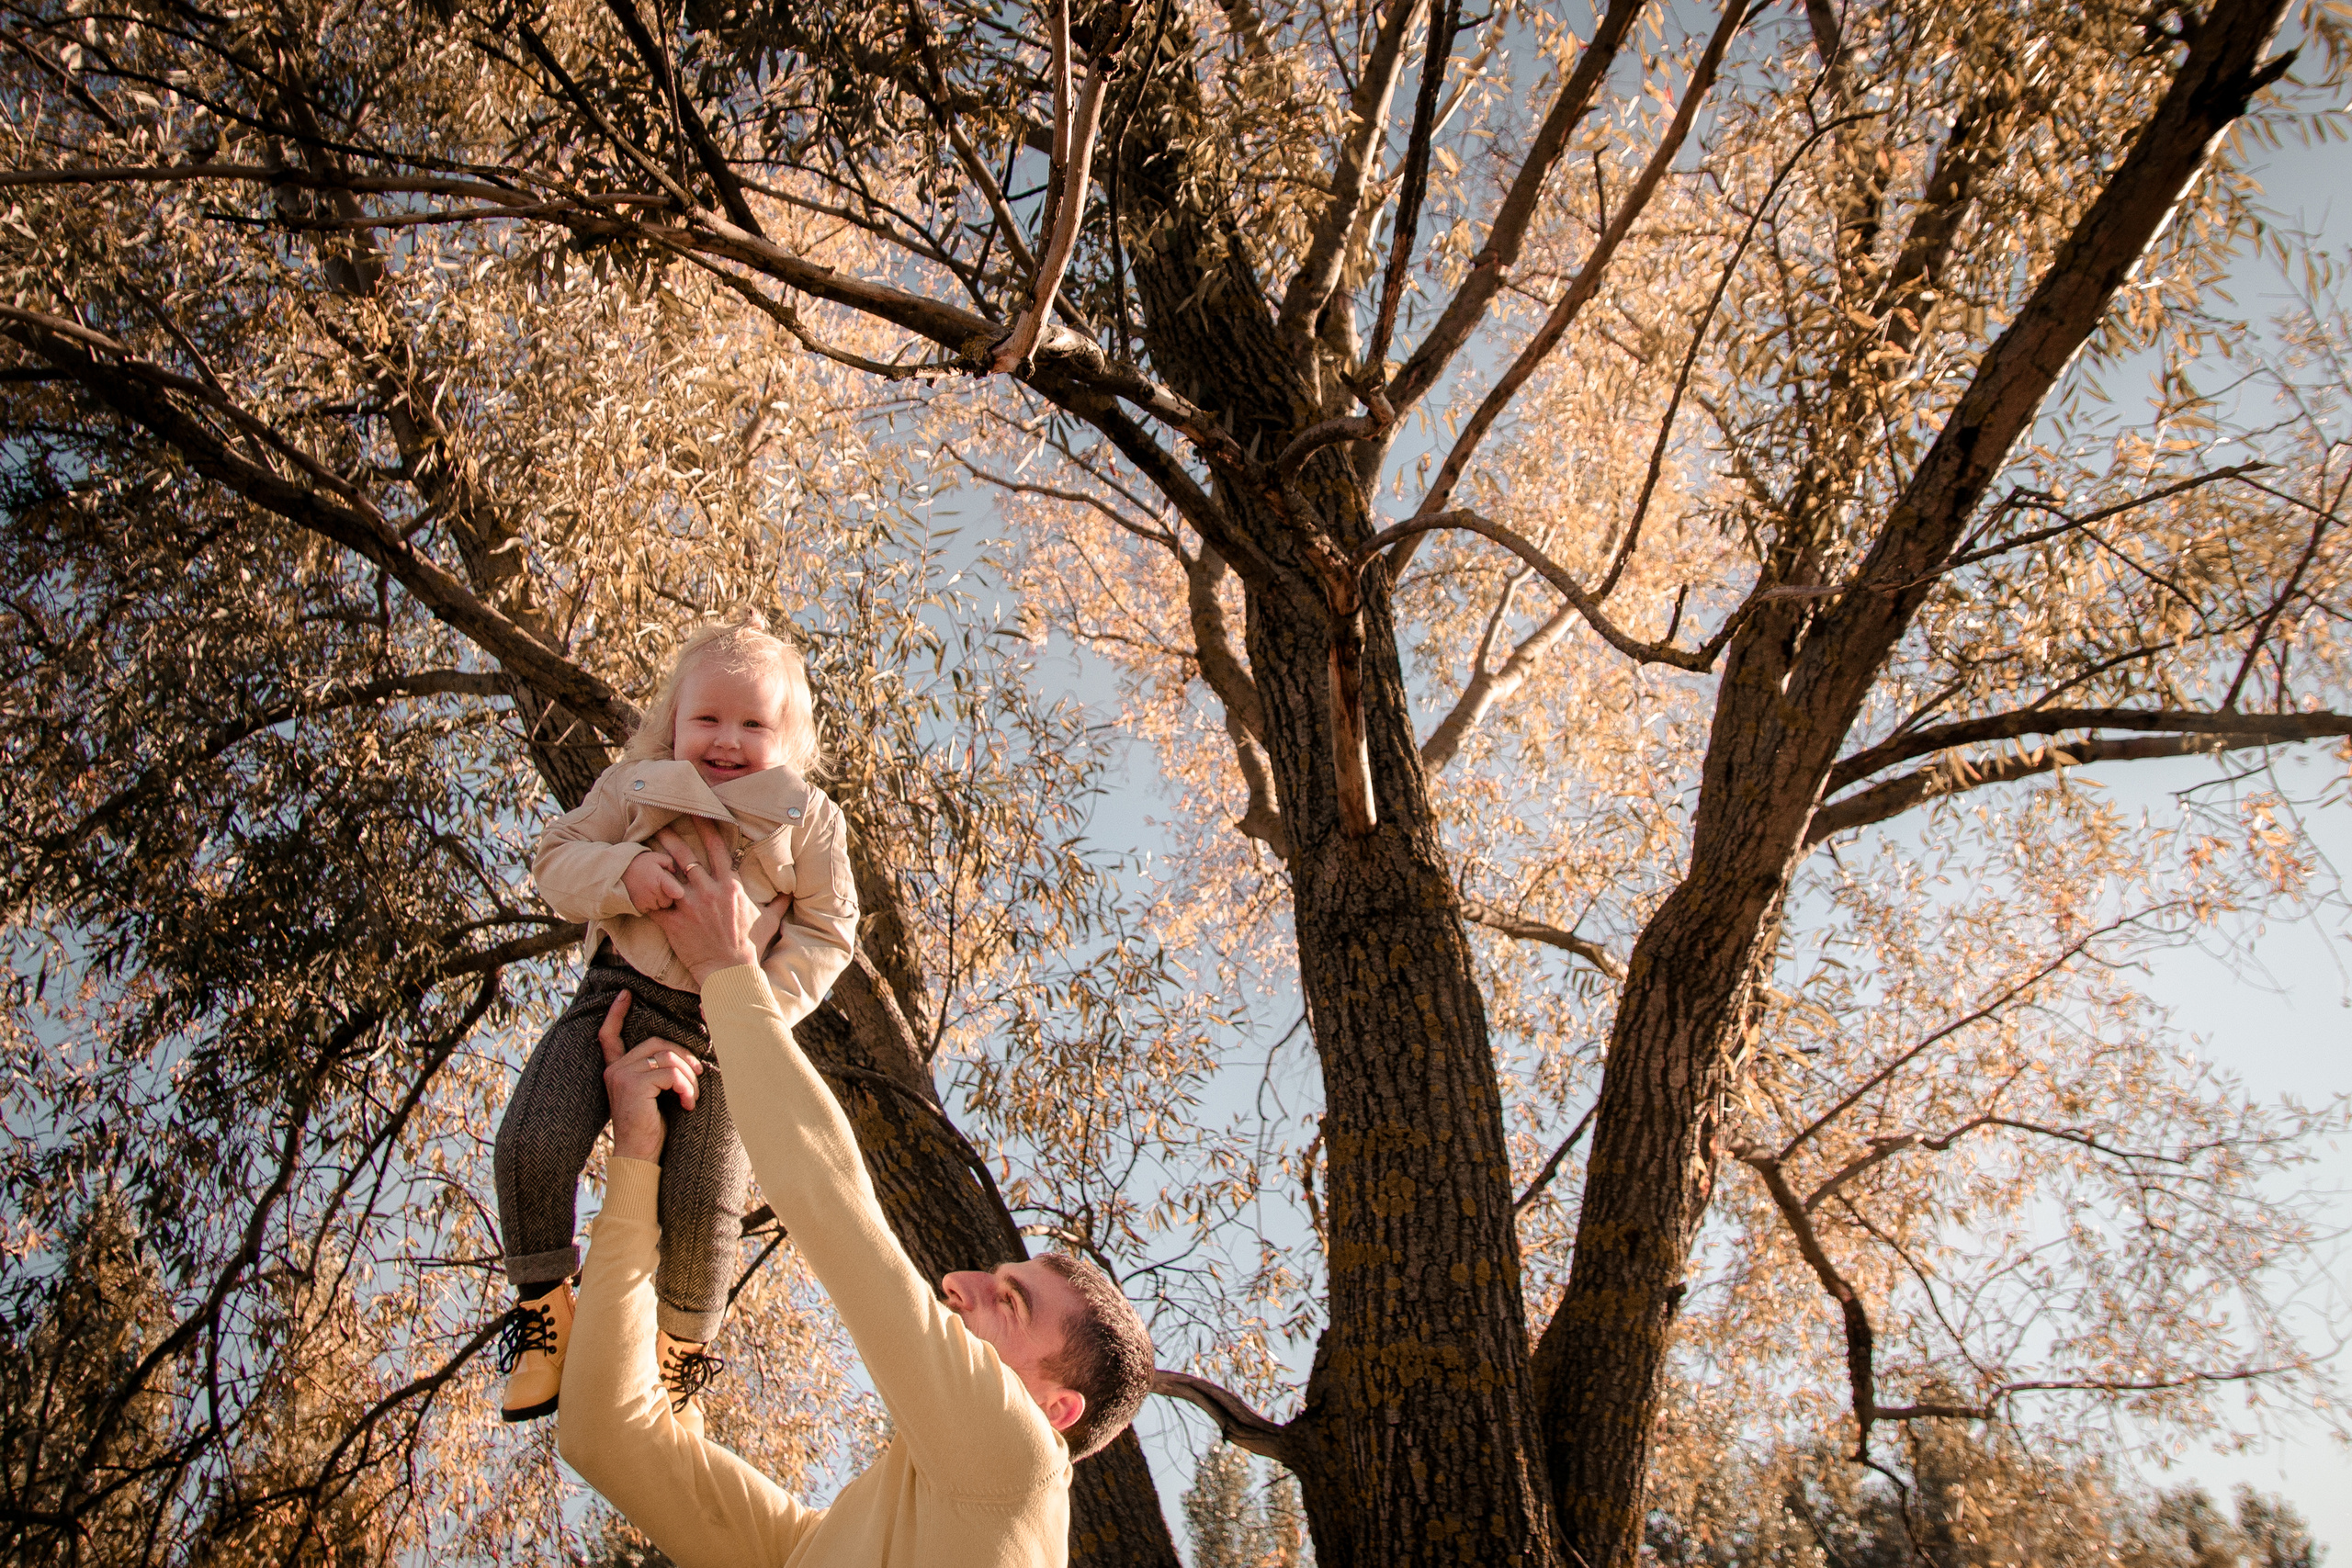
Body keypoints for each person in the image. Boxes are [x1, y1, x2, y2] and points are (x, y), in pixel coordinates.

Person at [559, 818, 1155, 1567]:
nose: (960, 1283)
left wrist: (727, 969)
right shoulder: (820, 1545)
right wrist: (638, 1158)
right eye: (997, 1279)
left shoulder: (1023, 1465)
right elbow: (606, 1430)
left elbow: (830, 1204)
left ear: (1056, 1408)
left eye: (1011, 1301)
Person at [492, 620, 857, 1427]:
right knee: (533, 1137)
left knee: (705, 1200)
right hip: (613, 995)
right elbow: (556, 859)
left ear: (787, 735)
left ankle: (679, 1354)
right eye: (707, 720)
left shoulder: (812, 819)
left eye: (754, 725)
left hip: (725, 1033)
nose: (727, 741)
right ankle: (543, 1305)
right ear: (673, 721)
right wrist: (626, 869)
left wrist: (756, 1008)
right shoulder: (636, 785)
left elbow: (830, 932)